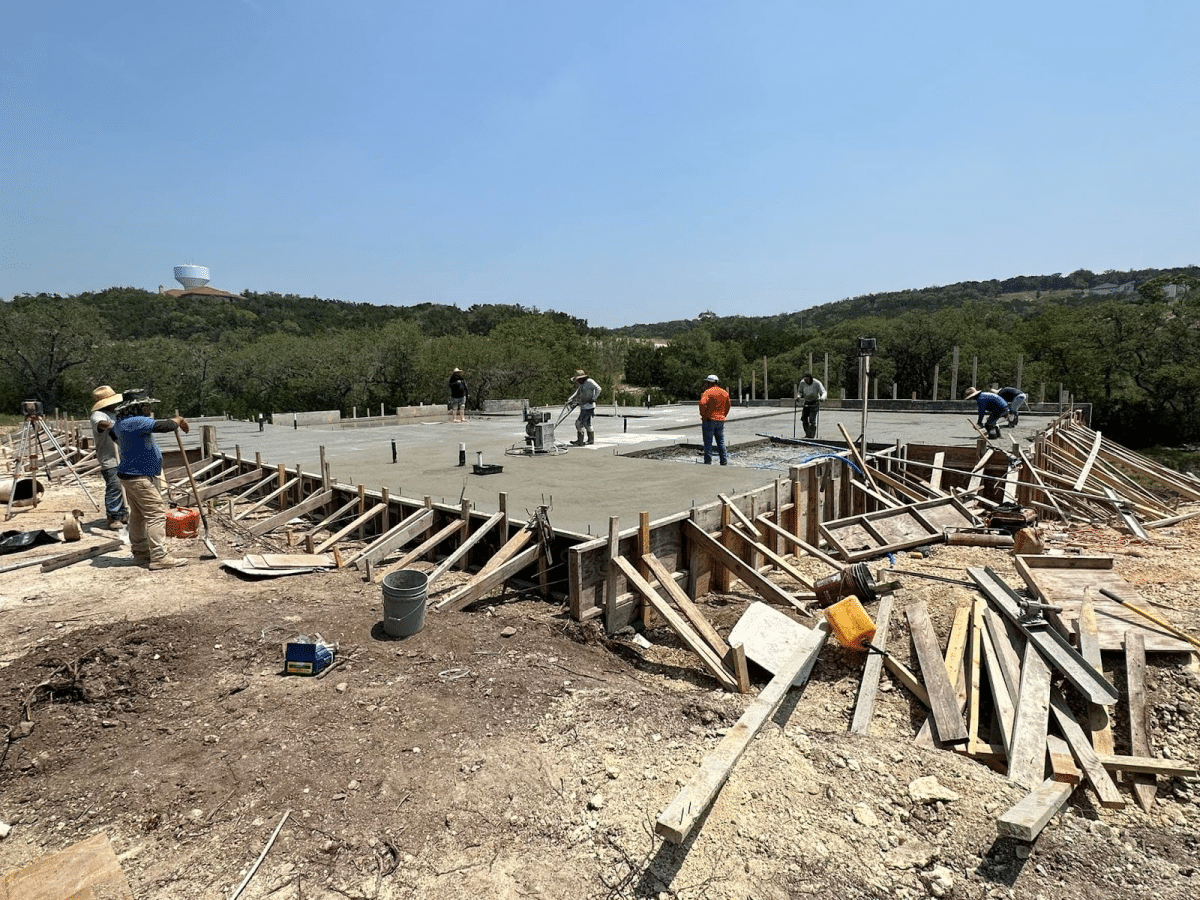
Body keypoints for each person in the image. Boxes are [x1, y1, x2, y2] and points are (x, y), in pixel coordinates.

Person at [112, 390, 190, 570]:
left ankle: (140, 552)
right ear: (137, 407)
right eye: (145, 405)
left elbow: (112, 435)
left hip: (130, 475)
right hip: (139, 477)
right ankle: (159, 556)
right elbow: (166, 426)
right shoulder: (135, 421)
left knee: (138, 516)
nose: (148, 408)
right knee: (156, 514)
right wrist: (178, 420)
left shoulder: (120, 424)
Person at [89, 385, 128, 529]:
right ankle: (113, 516)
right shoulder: (98, 415)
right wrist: (118, 425)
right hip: (109, 458)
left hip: (123, 456)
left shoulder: (116, 413)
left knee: (126, 485)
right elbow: (103, 424)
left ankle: (123, 512)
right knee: (115, 486)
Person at [698, 374, 731, 465]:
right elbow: (728, 405)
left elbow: (702, 404)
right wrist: (723, 415)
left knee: (708, 443)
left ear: (709, 383)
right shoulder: (724, 393)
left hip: (709, 420)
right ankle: (724, 461)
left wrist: (704, 415)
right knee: (720, 441)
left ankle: (708, 462)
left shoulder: (708, 392)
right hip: (720, 420)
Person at [566, 370, 601, 446]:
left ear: (582, 378)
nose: (577, 381)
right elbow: (578, 392)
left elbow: (598, 388)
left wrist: (594, 398)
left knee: (579, 423)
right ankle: (590, 440)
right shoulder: (581, 384)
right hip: (584, 406)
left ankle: (580, 441)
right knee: (587, 423)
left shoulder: (589, 381)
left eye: (578, 379)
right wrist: (570, 399)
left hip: (589, 406)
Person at [797, 372, 827, 439]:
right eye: (805, 380)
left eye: (807, 380)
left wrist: (822, 398)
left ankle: (812, 436)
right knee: (804, 418)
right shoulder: (802, 383)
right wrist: (798, 396)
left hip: (815, 401)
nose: (806, 381)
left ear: (810, 378)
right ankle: (807, 434)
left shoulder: (817, 383)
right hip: (807, 401)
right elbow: (800, 391)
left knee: (812, 419)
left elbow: (824, 392)